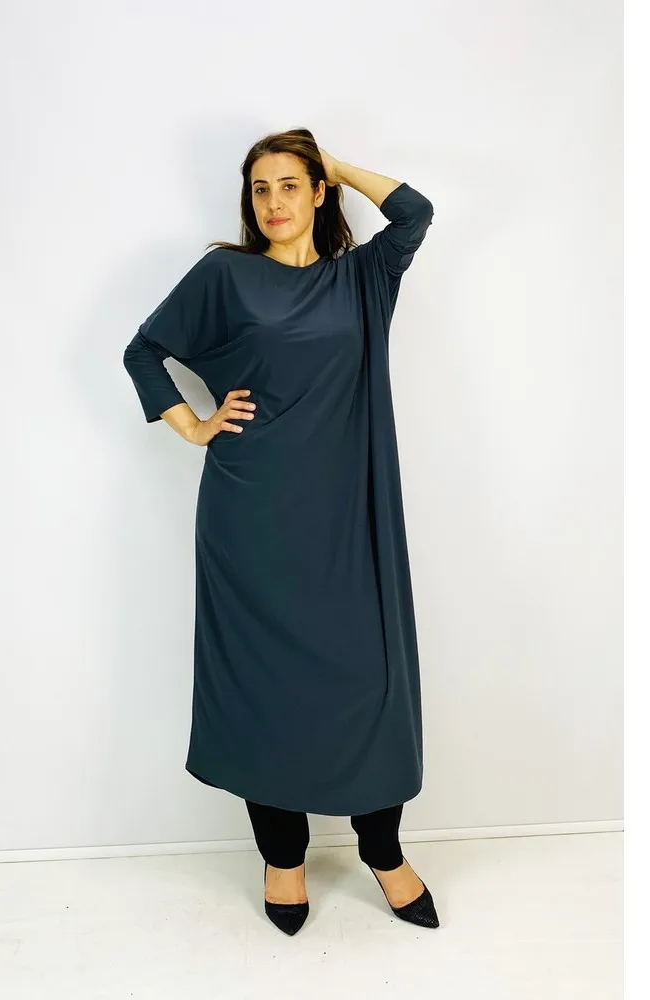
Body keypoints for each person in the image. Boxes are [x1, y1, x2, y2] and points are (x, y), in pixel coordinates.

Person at [123, 128, 438, 935]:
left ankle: (383, 852)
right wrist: (194, 425)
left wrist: (336, 164)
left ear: (319, 192)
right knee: (265, 688)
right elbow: (143, 352)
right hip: (251, 513)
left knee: (371, 681)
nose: (274, 202)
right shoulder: (226, 275)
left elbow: (414, 213)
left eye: (291, 184)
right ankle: (283, 858)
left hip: (352, 511)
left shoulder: (362, 278)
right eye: (260, 188)